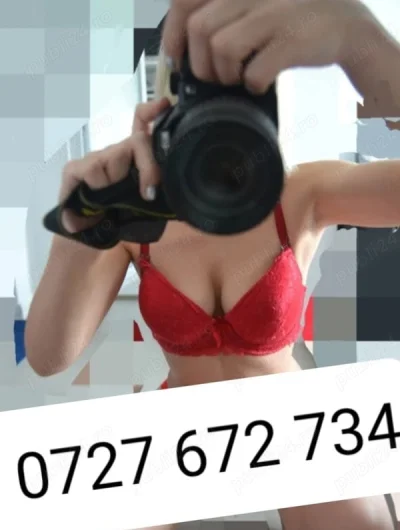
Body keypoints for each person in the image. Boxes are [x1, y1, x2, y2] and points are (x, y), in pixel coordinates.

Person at [26, 0, 400, 528]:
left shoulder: (302, 191)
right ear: (163, 102)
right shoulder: (135, 211)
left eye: (244, 88)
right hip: (180, 422)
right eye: (198, 91)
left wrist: (365, 44)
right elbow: (47, 357)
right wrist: (79, 228)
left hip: (292, 417)